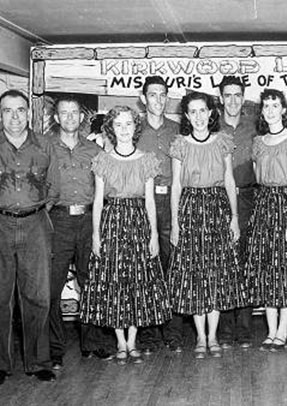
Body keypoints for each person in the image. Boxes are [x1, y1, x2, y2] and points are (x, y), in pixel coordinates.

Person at [0, 89, 59, 386]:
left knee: (38, 298)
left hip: (35, 226)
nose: (15, 116)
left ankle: (39, 362)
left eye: (20, 110)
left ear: (29, 113)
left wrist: (29, 215)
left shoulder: (45, 146)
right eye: (8, 110)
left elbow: (53, 190)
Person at [80, 105, 172, 365]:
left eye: (128, 124)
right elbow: (98, 201)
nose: (123, 130)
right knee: (115, 282)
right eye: (118, 125)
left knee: (138, 281)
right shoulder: (103, 160)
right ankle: (120, 342)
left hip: (139, 223)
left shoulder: (147, 159)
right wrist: (97, 236)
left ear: (135, 127)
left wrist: (153, 234)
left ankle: (133, 342)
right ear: (111, 128)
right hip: (112, 223)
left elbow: (150, 202)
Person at [168, 92, 245, 359]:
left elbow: (229, 180)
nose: (199, 117)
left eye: (203, 111)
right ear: (187, 116)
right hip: (190, 210)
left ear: (211, 113)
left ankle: (213, 336)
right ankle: (200, 337)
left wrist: (234, 218)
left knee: (216, 276)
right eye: (193, 112)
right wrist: (176, 224)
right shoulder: (180, 144)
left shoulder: (222, 141)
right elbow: (176, 186)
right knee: (195, 277)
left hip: (217, 209)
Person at [48, 95, 116, 370]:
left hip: (89, 220)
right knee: (51, 287)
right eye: (64, 113)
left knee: (92, 283)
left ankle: (92, 343)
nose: (69, 118)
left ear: (82, 117)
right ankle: (53, 349)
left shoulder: (94, 151)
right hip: (57, 221)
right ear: (56, 118)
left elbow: (107, 188)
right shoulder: (44, 147)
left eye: (74, 113)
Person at [246, 88, 287, 352]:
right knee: (267, 272)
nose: (271, 110)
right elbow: (257, 177)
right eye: (266, 106)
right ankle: (270, 330)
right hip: (264, 207)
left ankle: (283, 330)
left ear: (284, 109)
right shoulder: (258, 142)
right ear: (262, 111)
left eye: (275, 105)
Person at [137, 76, 185, 354]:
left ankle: (174, 332)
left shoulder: (177, 131)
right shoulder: (133, 129)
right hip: (142, 202)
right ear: (143, 98)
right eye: (152, 94)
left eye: (162, 94)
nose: (158, 99)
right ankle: (149, 333)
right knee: (146, 267)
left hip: (172, 201)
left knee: (174, 266)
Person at [216, 76, 257, 350]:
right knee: (222, 262)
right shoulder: (211, 126)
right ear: (220, 98)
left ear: (243, 98)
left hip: (250, 197)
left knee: (246, 261)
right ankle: (224, 328)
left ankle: (244, 328)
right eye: (228, 95)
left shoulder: (254, 127)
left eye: (237, 95)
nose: (232, 100)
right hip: (219, 198)